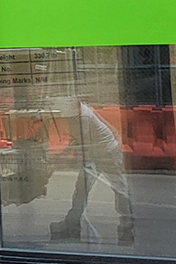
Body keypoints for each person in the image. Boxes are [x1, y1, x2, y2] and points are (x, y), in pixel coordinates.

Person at [50, 102, 135, 245]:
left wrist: (62, 158)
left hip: (105, 152)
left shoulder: (83, 116)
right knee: (82, 190)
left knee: (118, 188)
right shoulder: (80, 111)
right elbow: (78, 140)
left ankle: (127, 225)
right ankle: (72, 222)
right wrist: (62, 154)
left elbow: (82, 144)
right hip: (98, 151)